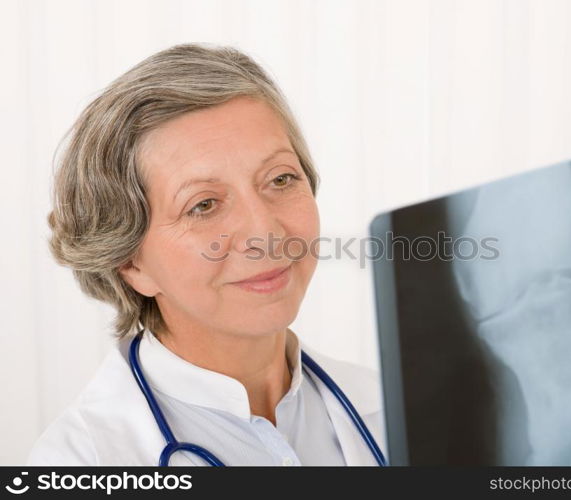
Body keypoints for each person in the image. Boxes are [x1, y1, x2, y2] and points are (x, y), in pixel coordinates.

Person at [27, 43, 385, 466]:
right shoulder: (83, 461)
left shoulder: (391, 410)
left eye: (281, 178)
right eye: (203, 205)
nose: (264, 232)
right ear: (131, 262)